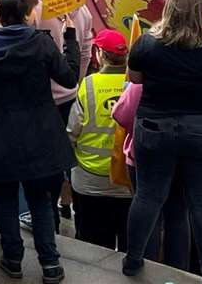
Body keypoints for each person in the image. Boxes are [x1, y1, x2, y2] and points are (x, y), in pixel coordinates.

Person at [0, 0, 79, 282]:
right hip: (39, 133)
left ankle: (12, 258)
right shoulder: (41, 43)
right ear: (29, 15)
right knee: (40, 199)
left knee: (4, 198)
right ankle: (51, 264)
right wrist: (69, 37)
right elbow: (67, 77)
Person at [122, 0, 202, 284]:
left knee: (148, 195)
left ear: (168, 10)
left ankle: (133, 258)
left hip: (156, 126)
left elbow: (134, 78)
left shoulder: (146, 44)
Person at [67, 30, 133, 252]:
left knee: (93, 249)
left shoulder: (88, 85)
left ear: (100, 54)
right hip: (127, 181)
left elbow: (72, 131)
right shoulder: (137, 85)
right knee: (127, 247)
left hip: (89, 180)